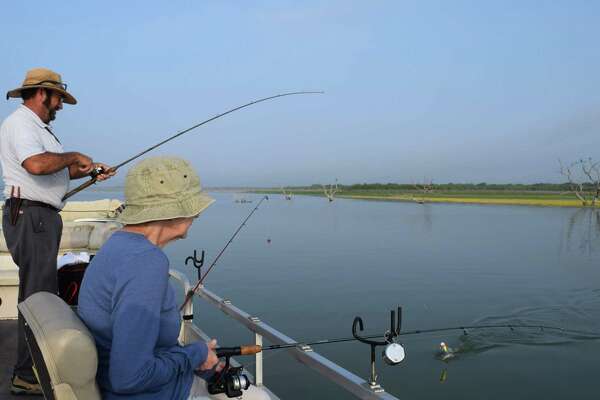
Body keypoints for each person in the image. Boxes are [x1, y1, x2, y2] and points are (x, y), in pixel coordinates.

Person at [78, 157, 270, 400]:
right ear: (171, 212)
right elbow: (129, 377)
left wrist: (196, 357)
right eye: (192, 206)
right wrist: (195, 354)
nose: (197, 214)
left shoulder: (116, 245)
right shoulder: (146, 262)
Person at [0, 67, 115, 395]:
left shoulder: (36, 128)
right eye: (57, 99)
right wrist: (74, 156)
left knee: (38, 294)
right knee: (39, 298)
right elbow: (36, 165)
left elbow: (49, 174)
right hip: (33, 217)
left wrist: (90, 171)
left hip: (40, 216)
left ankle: (30, 369)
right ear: (41, 94)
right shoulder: (21, 124)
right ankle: (27, 374)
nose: (60, 106)